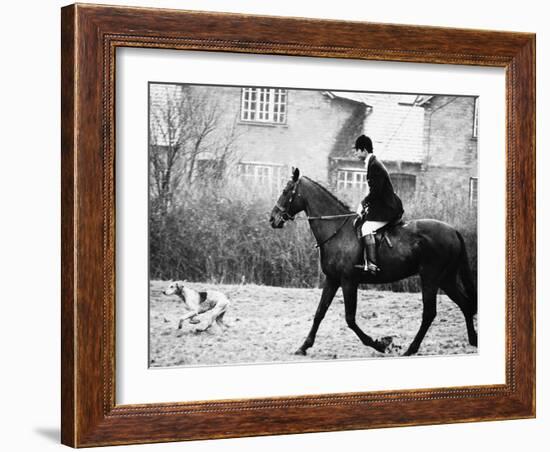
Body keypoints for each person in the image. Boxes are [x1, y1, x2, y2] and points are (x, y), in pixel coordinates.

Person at [353, 135, 404, 273]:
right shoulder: (372, 163)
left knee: (366, 228)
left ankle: (372, 264)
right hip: (382, 206)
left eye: (357, 150)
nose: (355, 153)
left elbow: (375, 192)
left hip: (388, 209)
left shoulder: (374, 166)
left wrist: (363, 204)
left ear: (364, 150)